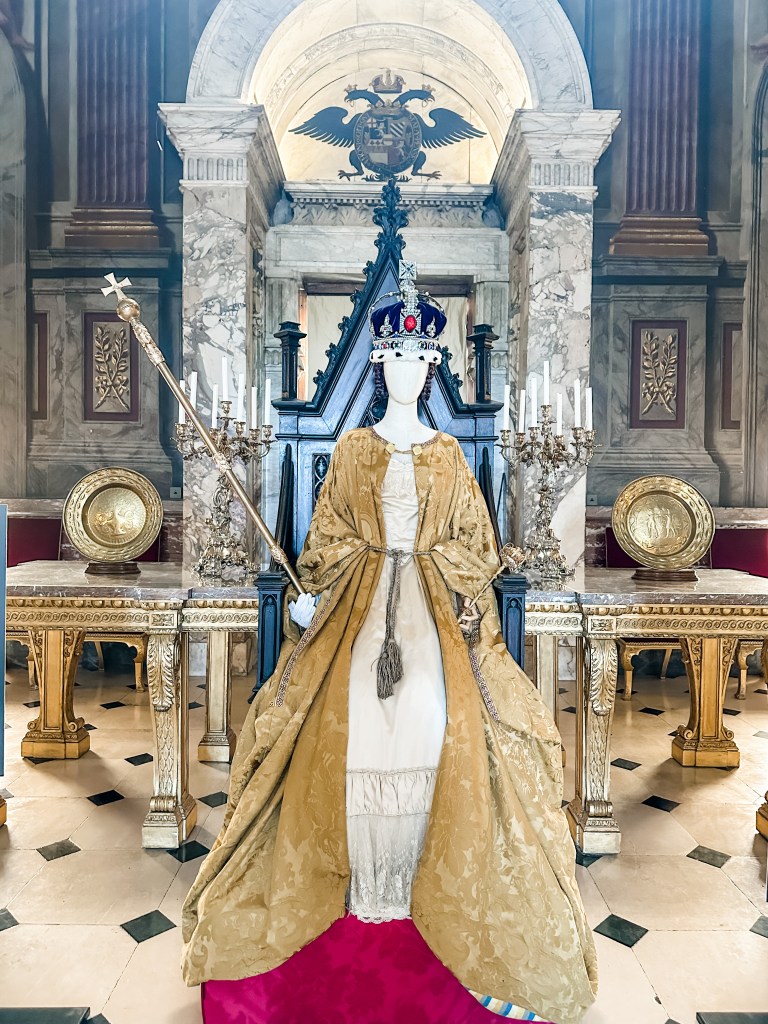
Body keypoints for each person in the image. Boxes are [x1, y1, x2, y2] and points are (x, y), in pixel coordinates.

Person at [180, 263, 598, 1024]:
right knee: (347, 717)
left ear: (433, 365)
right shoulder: (351, 449)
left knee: (435, 710)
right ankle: (364, 882)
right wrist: (316, 590)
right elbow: (328, 532)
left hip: (433, 608)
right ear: (380, 363)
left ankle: (412, 879)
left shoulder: (450, 454)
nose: (408, 369)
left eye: (420, 358)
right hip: (358, 605)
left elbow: (476, 539)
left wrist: (441, 569)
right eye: (396, 357)